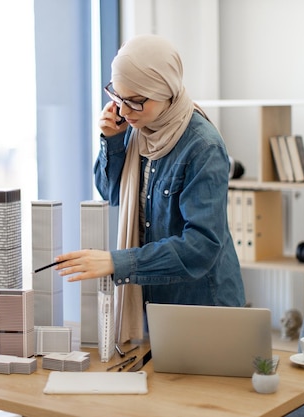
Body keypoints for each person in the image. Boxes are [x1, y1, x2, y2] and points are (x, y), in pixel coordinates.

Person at [54, 34, 245, 341]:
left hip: (201, 306)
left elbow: (202, 246)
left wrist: (116, 262)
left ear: (165, 92)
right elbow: (111, 193)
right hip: (152, 302)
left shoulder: (203, 146)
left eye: (135, 101)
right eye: (118, 96)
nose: (124, 110)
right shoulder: (136, 130)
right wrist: (111, 141)